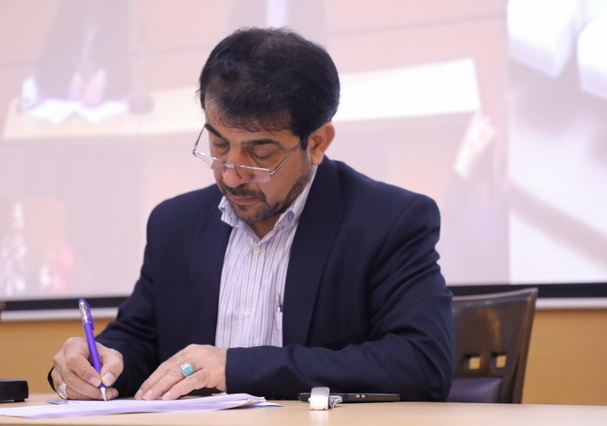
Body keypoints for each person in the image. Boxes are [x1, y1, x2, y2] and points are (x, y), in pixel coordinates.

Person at [49, 27, 455, 401]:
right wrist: (98, 361)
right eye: (219, 145)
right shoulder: (175, 224)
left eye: (259, 153)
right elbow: (140, 339)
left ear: (317, 142)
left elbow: (421, 363)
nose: (231, 174)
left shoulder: (389, 221)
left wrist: (236, 368)